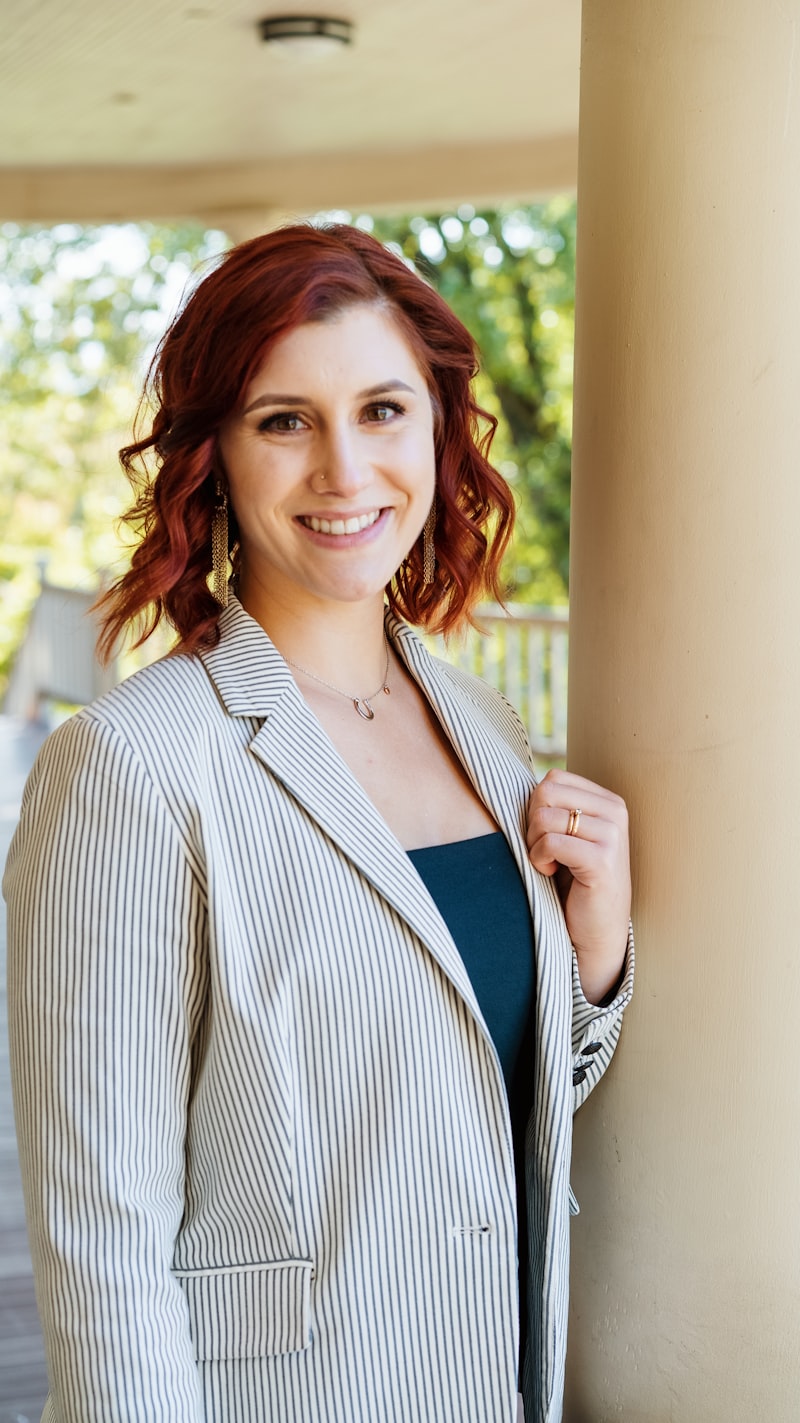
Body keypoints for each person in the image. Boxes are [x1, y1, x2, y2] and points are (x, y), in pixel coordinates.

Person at [4, 222, 633, 1423]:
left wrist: (589, 957)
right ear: (217, 458)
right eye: (283, 420)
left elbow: (485, 1103)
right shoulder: (129, 766)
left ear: (439, 433)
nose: (345, 470)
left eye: (383, 410)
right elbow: (101, 1243)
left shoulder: (485, 728)